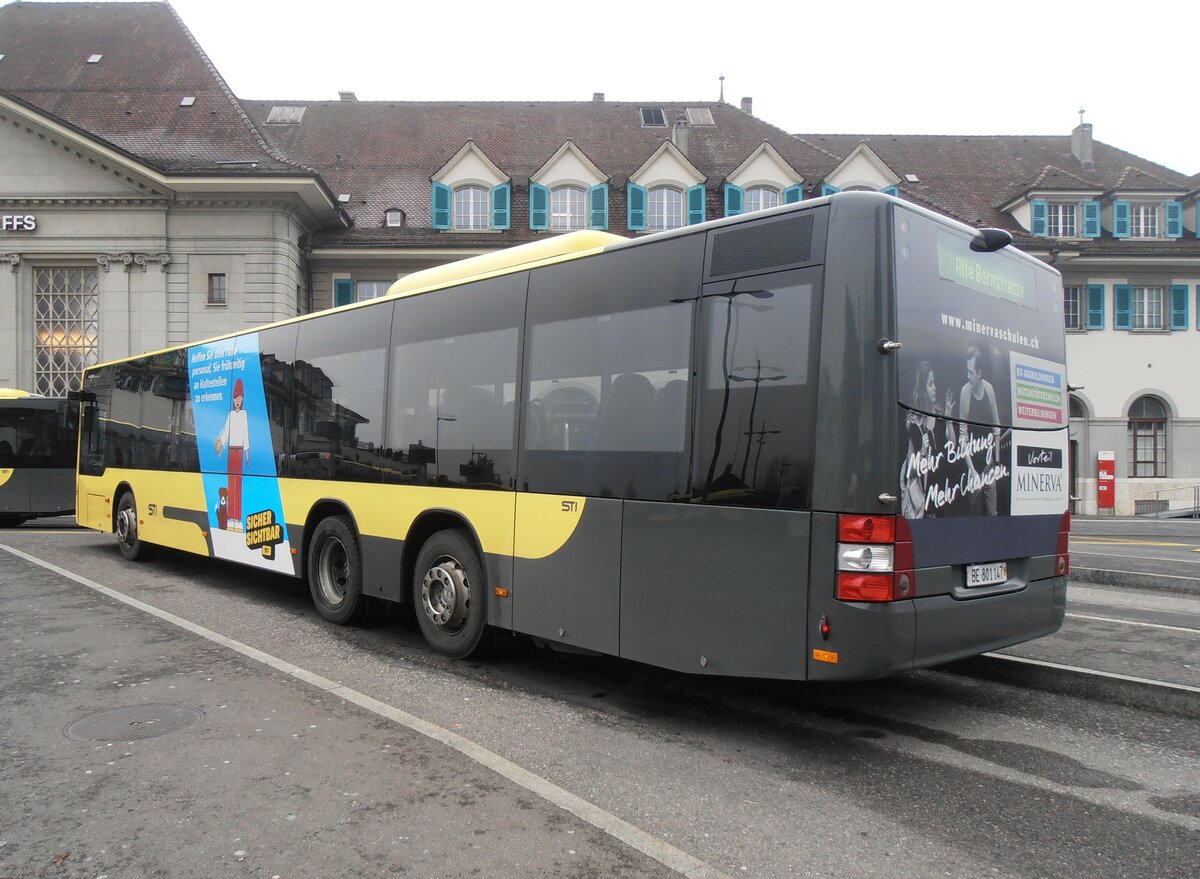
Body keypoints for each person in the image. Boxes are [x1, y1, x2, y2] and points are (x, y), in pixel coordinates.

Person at [901, 361, 955, 518]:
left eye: (935, 383)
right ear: (922, 389)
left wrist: (949, 417)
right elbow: (909, 470)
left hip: (941, 494)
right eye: (931, 384)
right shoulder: (914, 421)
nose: (935, 388)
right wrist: (922, 453)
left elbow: (952, 445)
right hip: (923, 498)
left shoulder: (940, 413)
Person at [958, 346, 1001, 516]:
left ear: (980, 373)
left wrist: (996, 461)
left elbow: (996, 425)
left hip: (988, 462)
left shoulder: (989, 389)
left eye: (971, 372)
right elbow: (963, 433)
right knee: (974, 508)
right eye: (967, 372)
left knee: (992, 510)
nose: (968, 377)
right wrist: (972, 470)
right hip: (973, 463)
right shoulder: (965, 392)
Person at [215, 378, 249, 531]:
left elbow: (246, 434)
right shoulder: (230, 415)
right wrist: (221, 442)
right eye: (236, 398)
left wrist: (247, 454)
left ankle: (237, 518)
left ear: (242, 399)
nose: (237, 401)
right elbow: (226, 433)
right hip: (230, 451)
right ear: (233, 399)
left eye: (240, 398)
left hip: (240, 451)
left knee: (238, 485)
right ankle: (230, 518)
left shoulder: (244, 415)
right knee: (231, 483)